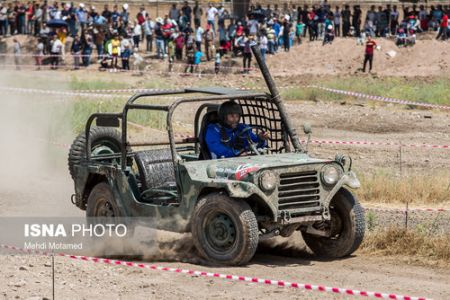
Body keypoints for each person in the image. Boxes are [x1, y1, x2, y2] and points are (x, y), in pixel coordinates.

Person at [205, 101, 269, 159]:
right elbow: (216, 148)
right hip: (219, 164)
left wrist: (261, 138)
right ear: (223, 117)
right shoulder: (213, 130)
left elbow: (253, 143)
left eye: (237, 116)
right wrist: (236, 153)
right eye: (232, 116)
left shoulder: (242, 128)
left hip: (241, 161)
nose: (235, 119)